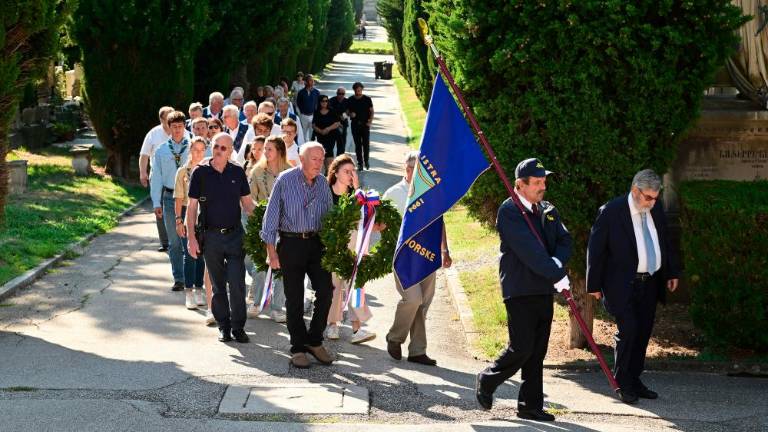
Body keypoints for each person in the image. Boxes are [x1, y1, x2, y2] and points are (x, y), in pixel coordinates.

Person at [474, 158, 572, 422]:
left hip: (543, 288)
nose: (543, 186)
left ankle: (530, 404)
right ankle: (488, 379)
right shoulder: (510, 212)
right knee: (522, 347)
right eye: (537, 182)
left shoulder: (547, 209)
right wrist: (557, 272)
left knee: (537, 350)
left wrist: (557, 263)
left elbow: (564, 240)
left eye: (544, 181)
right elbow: (530, 252)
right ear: (520, 184)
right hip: (520, 289)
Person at [587, 169, 680, 405]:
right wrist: (593, 284)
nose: (652, 202)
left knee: (643, 332)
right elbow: (596, 249)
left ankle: (635, 379)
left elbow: (665, 240)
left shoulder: (655, 208)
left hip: (650, 282)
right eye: (648, 197)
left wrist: (671, 271)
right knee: (628, 331)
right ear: (635, 190)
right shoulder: (611, 211)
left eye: (655, 198)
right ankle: (622, 382)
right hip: (621, 284)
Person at [260, 142, 335, 369]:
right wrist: (271, 252)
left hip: (317, 243)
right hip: (291, 243)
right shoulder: (285, 180)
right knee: (294, 297)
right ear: (302, 159)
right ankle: (298, 347)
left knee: (325, 291)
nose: (319, 163)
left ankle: (314, 340)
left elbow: (331, 217)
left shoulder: (323, 184)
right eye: (314, 159)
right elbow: (271, 217)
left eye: (321, 159)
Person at [384, 151, 452, 365]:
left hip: (427, 254)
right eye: (410, 166)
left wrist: (445, 250)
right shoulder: (394, 193)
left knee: (423, 304)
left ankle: (417, 351)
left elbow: (439, 223)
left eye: (417, 167)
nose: (412, 170)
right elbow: (382, 225)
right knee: (413, 299)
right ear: (405, 168)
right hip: (404, 258)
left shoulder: (432, 192)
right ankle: (394, 337)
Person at [186, 133, 255, 344]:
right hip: (211, 237)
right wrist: (191, 238)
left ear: (231, 150)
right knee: (217, 286)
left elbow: (248, 205)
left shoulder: (237, 172)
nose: (218, 150)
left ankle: (238, 327)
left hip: (234, 236)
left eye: (223, 148)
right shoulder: (200, 173)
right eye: (216, 146)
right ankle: (224, 327)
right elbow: (191, 207)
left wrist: (269, 221)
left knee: (237, 283)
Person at [324, 155, 376, 344]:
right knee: (335, 287)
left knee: (356, 286)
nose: (350, 175)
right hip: (332, 247)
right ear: (335, 173)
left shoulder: (357, 196)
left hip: (353, 247)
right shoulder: (326, 193)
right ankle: (332, 325)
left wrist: (356, 189)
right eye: (346, 171)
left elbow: (365, 216)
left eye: (352, 172)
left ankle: (357, 329)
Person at [246, 135, 292, 322]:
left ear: (279, 151)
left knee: (281, 265)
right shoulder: (257, 171)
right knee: (260, 264)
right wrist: (263, 211)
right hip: (261, 223)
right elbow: (249, 198)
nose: (265, 152)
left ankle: (277, 307)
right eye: (264, 148)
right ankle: (256, 303)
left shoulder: (291, 172)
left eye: (269, 149)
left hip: (286, 226)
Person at [150, 111, 191, 291]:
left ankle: (192, 276)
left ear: (184, 127)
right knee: (174, 241)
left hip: (190, 198)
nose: (176, 130)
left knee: (190, 239)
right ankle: (179, 278)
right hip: (169, 197)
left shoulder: (192, 147)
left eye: (180, 127)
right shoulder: (162, 150)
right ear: (168, 128)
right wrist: (156, 202)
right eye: (173, 127)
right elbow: (156, 177)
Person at [173, 137, 208, 310]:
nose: (198, 153)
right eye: (195, 149)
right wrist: (179, 220)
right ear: (190, 150)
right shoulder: (182, 172)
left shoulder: (207, 170)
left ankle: (199, 288)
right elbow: (179, 198)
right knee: (189, 254)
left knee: (201, 253)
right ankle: (188, 292)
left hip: (204, 215)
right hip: (188, 212)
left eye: (202, 150)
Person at [139, 106, 175, 252]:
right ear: (161, 119)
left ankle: (178, 239)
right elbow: (144, 155)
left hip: (177, 176)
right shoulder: (153, 134)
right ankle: (165, 242)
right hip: (158, 176)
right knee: (159, 206)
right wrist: (143, 173)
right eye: (168, 118)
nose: (172, 121)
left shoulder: (180, 131)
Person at [347, 82, 373, 170]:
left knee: (366, 144)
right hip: (355, 125)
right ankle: (360, 163)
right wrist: (350, 114)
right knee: (358, 145)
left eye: (360, 89)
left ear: (362, 89)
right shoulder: (350, 99)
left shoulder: (367, 99)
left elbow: (371, 111)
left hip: (365, 124)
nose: (358, 91)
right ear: (354, 90)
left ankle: (366, 161)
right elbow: (347, 112)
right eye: (357, 89)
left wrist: (370, 121)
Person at [312, 95, 341, 170]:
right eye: (323, 101)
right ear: (319, 102)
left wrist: (328, 129)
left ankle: (329, 170)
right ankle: (326, 170)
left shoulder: (332, 111)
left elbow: (337, 123)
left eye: (326, 101)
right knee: (323, 152)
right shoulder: (316, 112)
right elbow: (313, 125)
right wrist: (320, 131)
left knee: (329, 150)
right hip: (320, 136)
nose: (324, 103)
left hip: (331, 135)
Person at [296, 74, 320, 142]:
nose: (312, 82)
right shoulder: (301, 92)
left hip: (313, 116)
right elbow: (298, 103)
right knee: (303, 133)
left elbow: (318, 104)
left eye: (313, 81)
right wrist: (300, 113)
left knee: (312, 134)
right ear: (305, 82)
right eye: (310, 80)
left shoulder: (316, 92)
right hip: (303, 115)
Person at [329, 87, 349, 156]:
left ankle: (340, 159)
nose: (340, 95)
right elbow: (329, 112)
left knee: (342, 144)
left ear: (344, 94)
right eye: (339, 94)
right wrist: (339, 117)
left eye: (342, 94)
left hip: (343, 125)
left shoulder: (347, 101)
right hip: (333, 125)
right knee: (331, 144)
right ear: (336, 93)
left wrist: (344, 116)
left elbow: (349, 112)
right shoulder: (331, 101)